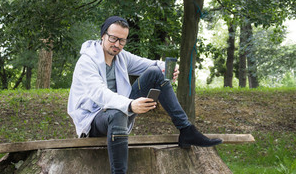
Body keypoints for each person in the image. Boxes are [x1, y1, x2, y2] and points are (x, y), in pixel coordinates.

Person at [67, 16, 222, 174]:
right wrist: (129, 105)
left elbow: (150, 64)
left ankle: (186, 130)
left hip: (121, 111)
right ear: (103, 35)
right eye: (113, 38)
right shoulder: (87, 61)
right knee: (117, 113)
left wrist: (166, 68)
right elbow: (99, 94)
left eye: (122, 41)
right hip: (93, 120)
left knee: (156, 73)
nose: (117, 44)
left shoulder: (121, 57)